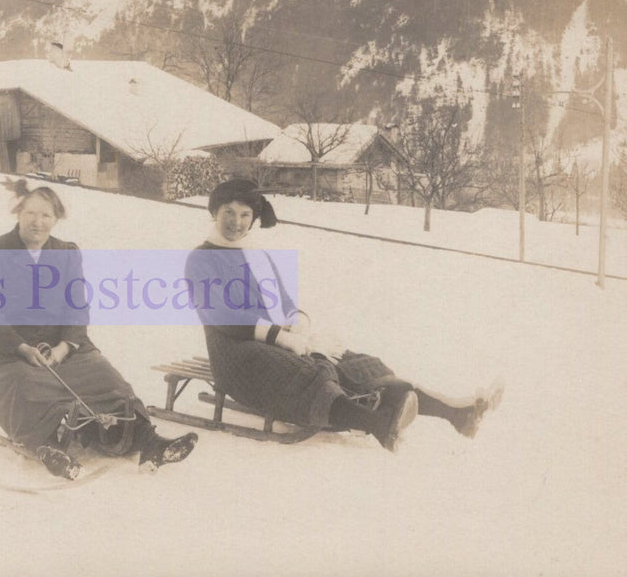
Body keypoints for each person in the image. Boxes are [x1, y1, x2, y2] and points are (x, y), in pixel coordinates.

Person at [185, 178, 501, 452]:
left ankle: (455, 413)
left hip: (274, 337)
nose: (236, 222)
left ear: (253, 219)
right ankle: (378, 424)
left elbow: (283, 300)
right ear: (215, 213)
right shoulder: (201, 259)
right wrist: (279, 337)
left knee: (352, 363)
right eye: (229, 213)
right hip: (234, 350)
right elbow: (220, 315)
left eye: (245, 215)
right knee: (302, 371)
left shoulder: (257, 255)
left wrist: (297, 326)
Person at [0, 179, 197, 479]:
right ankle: (49, 448)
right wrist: (22, 348)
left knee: (105, 376)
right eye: (30, 213)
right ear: (18, 213)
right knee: (26, 383)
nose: (38, 222)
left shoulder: (66, 253)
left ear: (56, 218)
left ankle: (149, 441)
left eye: (46, 215)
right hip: (8, 353)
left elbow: (77, 306)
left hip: (61, 348)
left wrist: (65, 347)